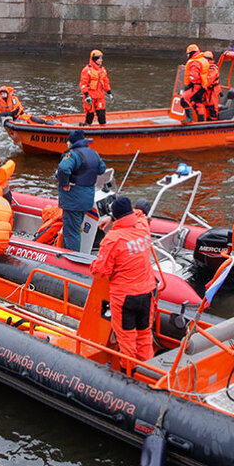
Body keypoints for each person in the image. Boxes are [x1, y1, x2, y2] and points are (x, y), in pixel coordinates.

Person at [90, 196, 156, 371]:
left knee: (126, 340)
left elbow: (100, 271)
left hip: (125, 297)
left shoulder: (113, 239)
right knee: (144, 336)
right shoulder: (143, 228)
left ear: (116, 216)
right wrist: (115, 216)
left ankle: (129, 375)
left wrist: (94, 264)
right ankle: (149, 372)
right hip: (147, 293)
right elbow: (140, 215)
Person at [56, 129, 106, 251]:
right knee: (77, 228)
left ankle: (71, 261)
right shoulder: (93, 153)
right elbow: (102, 169)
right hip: (87, 199)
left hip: (73, 200)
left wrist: (65, 183)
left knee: (71, 232)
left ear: (71, 142)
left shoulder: (73, 154)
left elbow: (63, 168)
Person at [79, 49, 111, 125]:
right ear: (94, 59)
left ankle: (103, 130)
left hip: (100, 96)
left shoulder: (103, 70)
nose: (101, 60)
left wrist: (109, 92)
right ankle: (87, 128)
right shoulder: (86, 70)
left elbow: (106, 82)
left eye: (101, 58)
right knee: (90, 114)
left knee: (101, 114)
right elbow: (83, 84)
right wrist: (86, 95)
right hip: (90, 96)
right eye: (99, 58)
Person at [182, 44, 211, 122]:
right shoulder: (203, 60)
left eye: (188, 53)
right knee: (198, 102)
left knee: (184, 99)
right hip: (202, 86)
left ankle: (189, 118)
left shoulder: (195, 62)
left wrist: (190, 84)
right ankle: (201, 120)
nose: (187, 55)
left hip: (196, 86)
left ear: (192, 53)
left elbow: (194, 75)